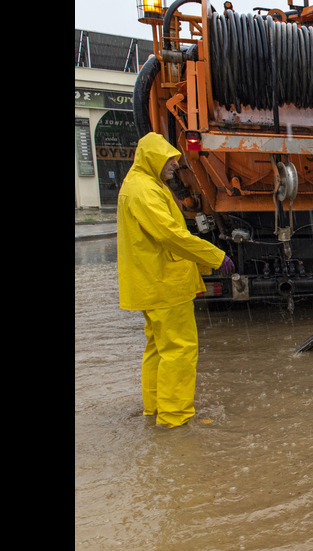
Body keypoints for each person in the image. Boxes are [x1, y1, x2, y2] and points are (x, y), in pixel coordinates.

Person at [117, 132, 234, 428]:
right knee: (180, 349)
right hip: (164, 284)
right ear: (153, 158)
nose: (174, 165)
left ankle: (156, 409)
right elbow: (170, 235)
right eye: (169, 159)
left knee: (158, 348)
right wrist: (214, 256)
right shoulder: (145, 190)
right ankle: (175, 418)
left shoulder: (142, 184)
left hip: (153, 282)